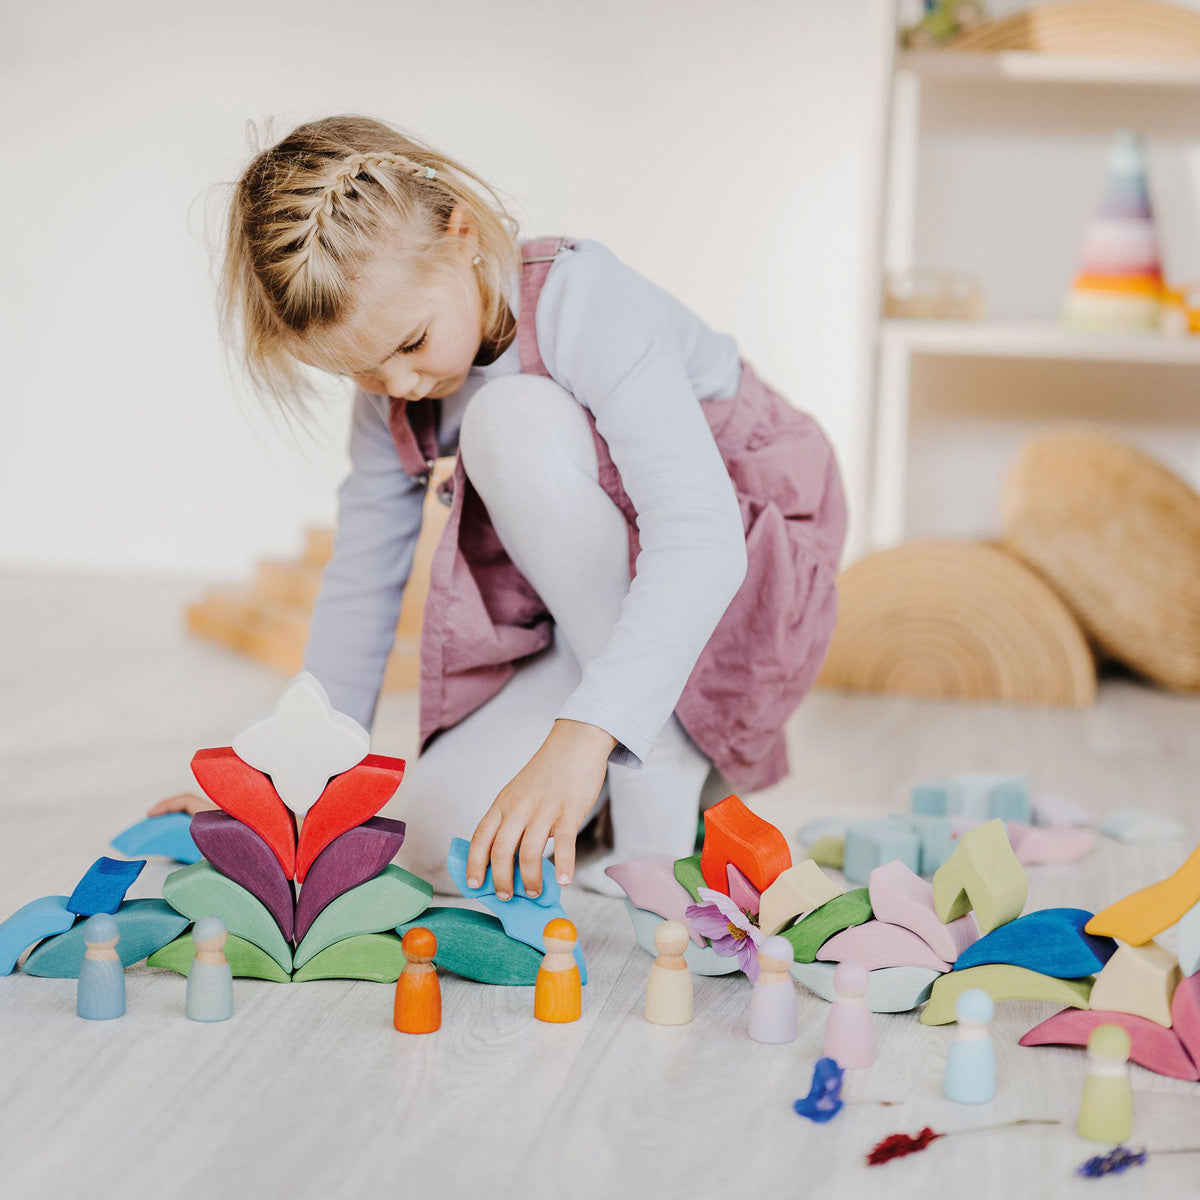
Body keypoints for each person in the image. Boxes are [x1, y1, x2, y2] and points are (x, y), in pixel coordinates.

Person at [150, 113, 846, 899]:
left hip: (741, 575)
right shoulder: (396, 388)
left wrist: (580, 741)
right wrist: (292, 782)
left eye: (411, 343)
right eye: (364, 373)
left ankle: (665, 752)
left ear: (462, 235)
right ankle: (635, 752)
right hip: (587, 627)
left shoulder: (585, 301)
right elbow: (361, 586)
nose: (402, 389)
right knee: (435, 846)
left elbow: (702, 540)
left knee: (509, 420)